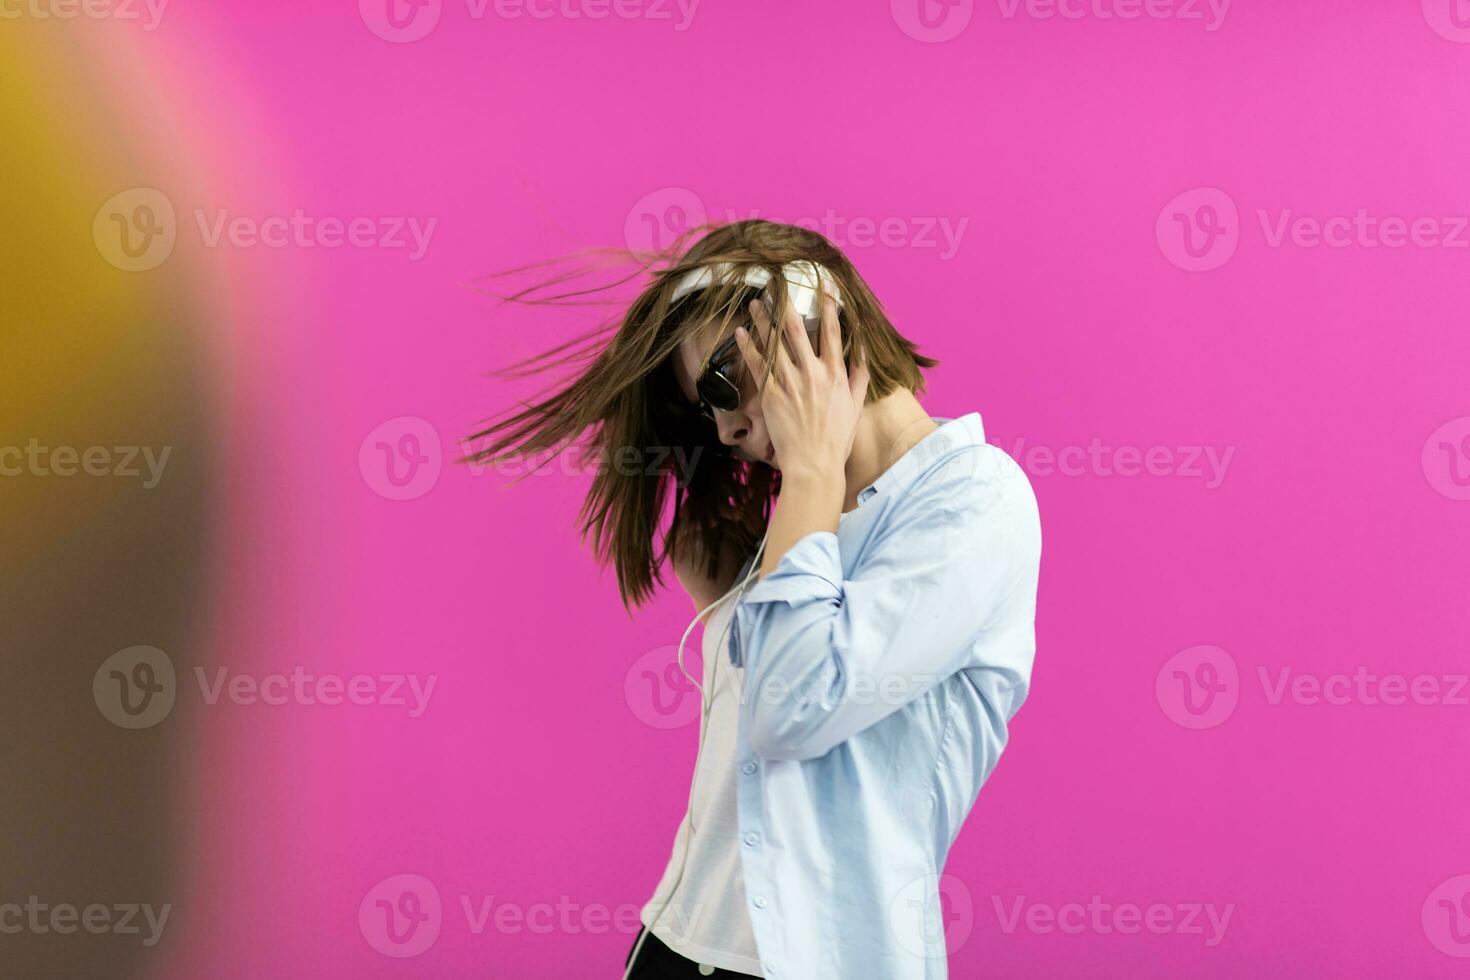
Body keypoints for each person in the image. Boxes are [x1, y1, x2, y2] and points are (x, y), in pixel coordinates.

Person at [469, 220, 1041, 979]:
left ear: (823, 325)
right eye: (709, 410)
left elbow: (792, 709)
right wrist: (731, 598)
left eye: (726, 383)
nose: (729, 426)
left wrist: (808, 474)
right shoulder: (803, 523)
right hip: (677, 944)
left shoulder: (975, 498)